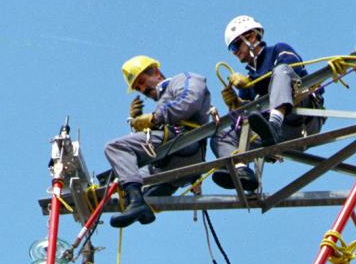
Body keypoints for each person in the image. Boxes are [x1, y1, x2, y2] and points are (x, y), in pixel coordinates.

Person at [211, 15, 325, 191]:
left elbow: (292, 67)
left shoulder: (278, 51)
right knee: (221, 135)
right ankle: (240, 170)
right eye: (232, 49)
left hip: (302, 117)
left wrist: (254, 82)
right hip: (275, 136)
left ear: (251, 37)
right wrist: (236, 104)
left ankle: (274, 124)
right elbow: (247, 119)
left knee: (281, 71)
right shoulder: (248, 80)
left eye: (235, 46)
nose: (235, 52)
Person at [104, 55, 211, 228]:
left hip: (183, 142)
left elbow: (190, 101)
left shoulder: (182, 79)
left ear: (156, 72)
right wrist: (138, 124)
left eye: (142, 81)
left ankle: (137, 201)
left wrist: (154, 119)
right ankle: (141, 202)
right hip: (170, 159)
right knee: (123, 177)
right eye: (138, 88)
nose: (143, 89)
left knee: (115, 148)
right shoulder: (162, 102)